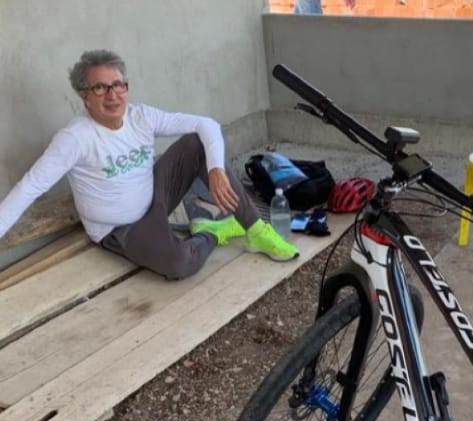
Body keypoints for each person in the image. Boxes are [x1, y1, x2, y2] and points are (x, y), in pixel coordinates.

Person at [0, 50, 298, 280]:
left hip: (154, 197)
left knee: (197, 143)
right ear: (84, 95)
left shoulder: (140, 116)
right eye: (100, 88)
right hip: (121, 229)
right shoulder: (75, 138)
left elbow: (206, 124)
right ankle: (214, 232)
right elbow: (30, 186)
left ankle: (256, 230)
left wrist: (216, 169)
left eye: (118, 85)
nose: (113, 95)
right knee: (180, 265)